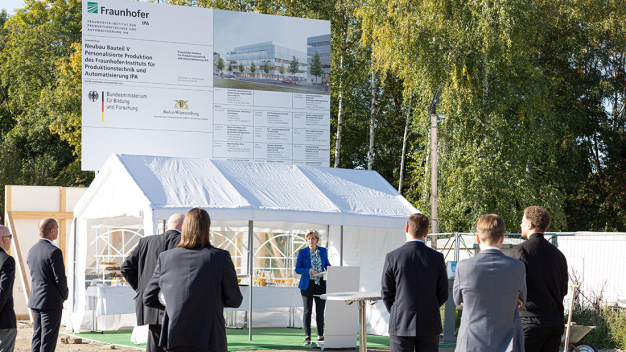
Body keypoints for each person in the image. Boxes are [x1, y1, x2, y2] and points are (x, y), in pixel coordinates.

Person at [143, 208, 242, 352]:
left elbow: (148, 297)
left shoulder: (166, 257)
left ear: (184, 228)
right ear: (207, 228)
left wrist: (174, 303)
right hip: (210, 335)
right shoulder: (220, 257)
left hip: (175, 334)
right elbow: (235, 299)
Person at [454, 214, 526, 352]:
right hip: (508, 344)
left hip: (471, 343)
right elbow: (522, 301)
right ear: (502, 238)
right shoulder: (518, 267)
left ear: (477, 237)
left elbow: (459, 301)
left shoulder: (463, 267)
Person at [381, 213, 448, 352]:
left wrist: (397, 310)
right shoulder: (437, 258)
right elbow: (443, 293)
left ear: (407, 227)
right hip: (429, 323)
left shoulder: (392, 257)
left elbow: (386, 292)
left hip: (400, 323)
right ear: (427, 232)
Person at [121, 213, 184, 352]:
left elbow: (125, 268)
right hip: (177, 302)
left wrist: (142, 288)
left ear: (166, 226)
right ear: (184, 227)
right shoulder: (185, 243)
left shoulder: (146, 242)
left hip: (150, 300)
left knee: (154, 342)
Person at [510, 206, 568, 352]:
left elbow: (511, 287)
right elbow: (564, 289)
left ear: (530, 225)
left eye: (522, 221)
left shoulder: (520, 251)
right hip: (555, 322)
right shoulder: (558, 255)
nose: (520, 224)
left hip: (530, 322)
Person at [27, 218, 68, 352]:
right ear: (52, 231)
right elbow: (60, 278)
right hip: (51, 301)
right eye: (56, 228)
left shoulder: (32, 250)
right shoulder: (54, 251)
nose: (57, 231)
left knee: (37, 337)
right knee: (48, 340)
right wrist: (64, 294)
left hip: (35, 299)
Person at [295, 229, 331, 345]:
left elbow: (327, 265)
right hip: (307, 285)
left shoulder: (323, 251)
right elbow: (297, 269)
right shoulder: (302, 252)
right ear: (306, 240)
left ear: (317, 239)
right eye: (309, 238)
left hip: (320, 284)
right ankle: (307, 337)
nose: (311, 240)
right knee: (307, 311)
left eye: (313, 238)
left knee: (320, 311)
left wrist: (333, 271)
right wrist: (309, 271)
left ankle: (320, 336)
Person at [0, 226, 16, 352]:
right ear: (5, 239)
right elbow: (2, 292)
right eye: (10, 237)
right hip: (3, 319)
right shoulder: (7, 260)